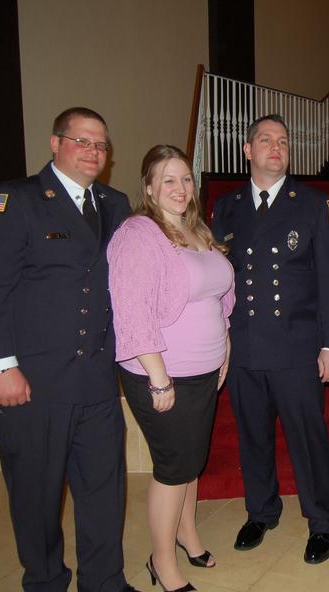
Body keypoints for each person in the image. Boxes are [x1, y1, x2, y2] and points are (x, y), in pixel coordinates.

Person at [0, 107, 139, 591]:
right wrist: (0, 367)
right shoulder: (15, 199)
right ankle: (44, 582)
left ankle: (105, 581)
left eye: (101, 145)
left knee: (104, 491)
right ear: (55, 143)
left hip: (97, 381)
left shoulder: (115, 203)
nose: (94, 152)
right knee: (36, 498)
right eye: (82, 141)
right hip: (32, 382)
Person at [211, 114, 329, 564]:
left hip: (296, 345)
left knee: (307, 437)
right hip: (244, 344)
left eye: (283, 141)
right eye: (265, 140)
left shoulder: (313, 204)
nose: (275, 147)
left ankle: (321, 519)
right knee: (253, 436)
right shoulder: (225, 208)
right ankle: (261, 510)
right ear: (247, 150)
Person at [108, 145, 235, 592]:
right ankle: (162, 561)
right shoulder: (138, 234)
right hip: (161, 373)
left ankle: (188, 534)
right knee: (172, 465)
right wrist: (159, 377)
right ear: (148, 188)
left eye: (185, 179)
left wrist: (225, 349)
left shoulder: (197, 229)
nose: (180, 189)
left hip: (203, 369)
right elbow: (131, 311)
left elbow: (220, 300)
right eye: (168, 180)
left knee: (191, 461)